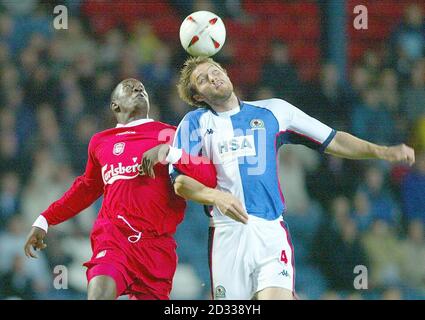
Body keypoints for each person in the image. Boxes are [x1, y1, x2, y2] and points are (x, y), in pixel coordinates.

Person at [146, 56, 415, 300]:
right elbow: (180, 181)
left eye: (215, 71)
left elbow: (333, 139)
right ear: (197, 95)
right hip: (226, 234)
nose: (213, 78)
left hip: (270, 231)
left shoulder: (274, 110)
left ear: (226, 73)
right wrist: (216, 196)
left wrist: (381, 151)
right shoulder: (194, 123)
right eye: (202, 79)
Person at [23, 78, 247, 300]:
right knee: (99, 292)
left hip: (156, 248)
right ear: (115, 105)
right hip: (114, 239)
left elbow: (209, 176)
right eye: (129, 88)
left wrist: (169, 152)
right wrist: (45, 219)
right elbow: (86, 188)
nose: (139, 88)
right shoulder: (101, 141)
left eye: (142, 88)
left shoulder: (171, 134)